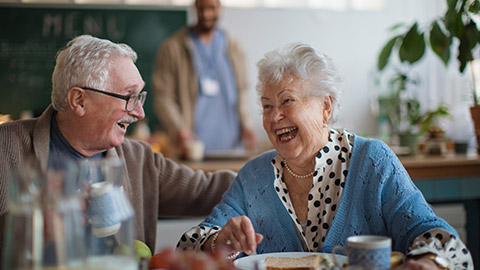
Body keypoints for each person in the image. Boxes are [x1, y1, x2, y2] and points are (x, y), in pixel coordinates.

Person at [177, 43, 474, 269]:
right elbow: (190, 246)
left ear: (326, 107)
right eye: (267, 106)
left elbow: (433, 232)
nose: (274, 116)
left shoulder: (373, 161)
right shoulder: (254, 176)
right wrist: (220, 240)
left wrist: (430, 262)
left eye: (287, 101)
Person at [0, 35, 236, 262]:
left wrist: (271, 167)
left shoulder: (139, 158)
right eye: (128, 97)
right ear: (79, 101)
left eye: (140, 97)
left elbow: (210, 189)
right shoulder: (6, 147)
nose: (140, 113)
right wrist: (29, 227)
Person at [152, 0, 257, 157]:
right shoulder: (172, 49)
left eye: (212, 8)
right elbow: (163, 97)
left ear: (220, 8)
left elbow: (242, 92)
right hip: (191, 150)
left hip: (232, 149)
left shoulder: (234, 48)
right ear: (195, 7)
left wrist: (247, 125)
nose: (206, 14)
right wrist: (178, 129)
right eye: (201, 8)